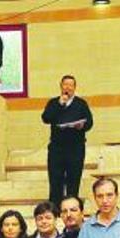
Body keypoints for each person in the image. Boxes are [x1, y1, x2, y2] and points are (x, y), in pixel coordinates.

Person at [41, 75, 93, 206]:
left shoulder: (81, 104)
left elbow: (90, 122)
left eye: (71, 85)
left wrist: (82, 125)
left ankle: (72, 208)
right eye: (66, 84)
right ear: (61, 86)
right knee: (55, 179)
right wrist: (60, 104)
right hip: (57, 148)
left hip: (76, 148)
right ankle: (55, 209)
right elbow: (46, 118)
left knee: (73, 179)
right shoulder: (54, 102)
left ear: (75, 88)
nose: (68, 87)